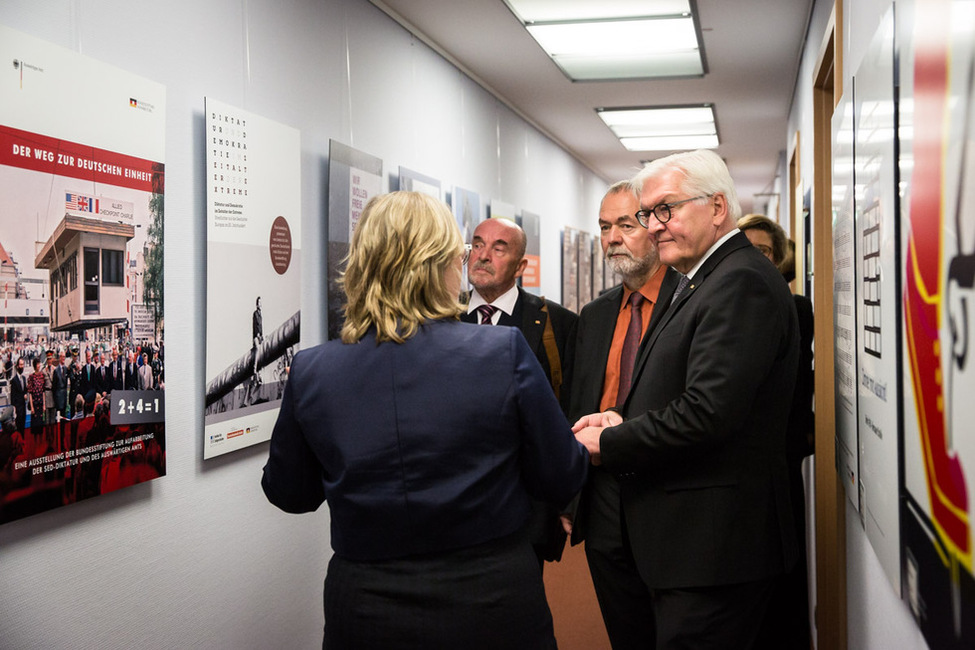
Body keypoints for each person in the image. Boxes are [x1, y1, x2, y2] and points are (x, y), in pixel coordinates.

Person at [262, 191, 589, 649]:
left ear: (361, 264)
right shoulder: (501, 352)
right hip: (491, 600)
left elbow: (290, 494)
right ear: (442, 266)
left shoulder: (314, 369)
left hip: (365, 606)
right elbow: (562, 475)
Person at [573, 150, 800, 649]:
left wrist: (611, 441)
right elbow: (688, 388)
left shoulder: (738, 281)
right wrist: (620, 416)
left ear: (717, 207)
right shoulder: (706, 278)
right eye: (649, 214)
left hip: (715, 549)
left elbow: (708, 413)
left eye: (665, 210)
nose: (654, 227)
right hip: (693, 545)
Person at [566, 180, 678, 646]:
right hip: (606, 491)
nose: (612, 238)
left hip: (671, 489)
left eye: (625, 225)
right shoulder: (594, 315)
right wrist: (573, 497)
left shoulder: (690, 303)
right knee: (625, 628)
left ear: (654, 226)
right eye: (604, 227)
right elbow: (579, 406)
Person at [462, 216, 579, 568]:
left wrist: (568, 497)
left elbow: (569, 410)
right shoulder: (441, 318)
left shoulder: (557, 323)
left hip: (524, 503)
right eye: (478, 244)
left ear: (520, 266)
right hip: (455, 499)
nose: (483, 256)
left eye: (499, 248)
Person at [738, 214, 814, 650]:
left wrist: (803, 432)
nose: (754, 259)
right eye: (745, 249)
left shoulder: (799, 308)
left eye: (763, 251)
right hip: (735, 461)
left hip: (783, 455)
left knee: (786, 563)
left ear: (779, 258)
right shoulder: (718, 310)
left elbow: (806, 378)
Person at [10, 356, 27, 432]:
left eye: (23, 364)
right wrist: (14, 409)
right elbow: (12, 397)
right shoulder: (14, 380)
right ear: (17, 366)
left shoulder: (23, 378)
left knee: (23, 427)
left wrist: (26, 394)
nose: (22, 366)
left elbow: (24, 391)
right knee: (18, 429)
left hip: (23, 408)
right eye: (20, 365)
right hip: (17, 409)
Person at [252, 296, 264, 384]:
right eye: (259, 303)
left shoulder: (260, 314)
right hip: (256, 337)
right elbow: (255, 326)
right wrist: (258, 335)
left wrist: (262, 335)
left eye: (261, 303)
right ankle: (255, 369)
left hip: (260, 336)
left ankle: (259, 374)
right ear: (257, 305)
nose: (260, 304)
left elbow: (261, 327)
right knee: (257, 349)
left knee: (261, 352)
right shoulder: (255, 314)